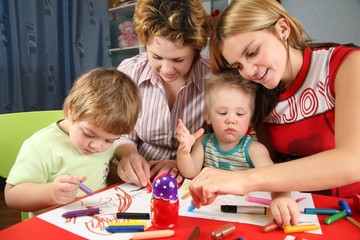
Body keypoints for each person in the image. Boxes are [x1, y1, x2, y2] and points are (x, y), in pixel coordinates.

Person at [189, 0, 360, 210]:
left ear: (282, 29)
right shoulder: (258, 89)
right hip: (294, 207)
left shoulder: (347, 65)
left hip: (348, 208)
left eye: (252, 52)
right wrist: (280, 193)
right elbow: (269, 161)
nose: (249, 72)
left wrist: (245, 180)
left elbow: (353, 161)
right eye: (238, 66)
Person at [5, 67, 141, 217]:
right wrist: (51, 193)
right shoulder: (42, 145)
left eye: (110, 140)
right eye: (89, 134)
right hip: (54, 227)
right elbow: (12, 196)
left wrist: (122, 173)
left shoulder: (105, 144)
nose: (97, 146)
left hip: (97, 219)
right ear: (71, 110)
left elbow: (102, 174)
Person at [176, 72, 299, 226]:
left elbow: (273, 179)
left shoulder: (254, 150)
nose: (231, 120)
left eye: (240, 114)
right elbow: (190, 172)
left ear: (251, 120)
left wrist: (282, 197)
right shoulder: (204, 142)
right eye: (222, 113)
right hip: (209, 211)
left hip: (243, 212)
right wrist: (184, 150)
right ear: (208, 116)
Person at [112, 0, 211, 188]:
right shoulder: (130, 72)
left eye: (178, 59)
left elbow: (224, 141)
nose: (166, 69)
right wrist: (128, 155)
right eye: (156, 57)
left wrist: (185, 163)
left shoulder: (213, 79)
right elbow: (120, 133)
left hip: (196, 180)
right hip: (141, 181)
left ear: (196, 51)